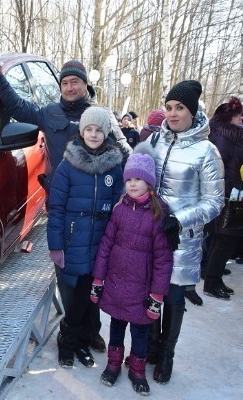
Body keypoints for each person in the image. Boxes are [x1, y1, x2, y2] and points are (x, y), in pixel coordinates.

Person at [0, 57, 132, 353]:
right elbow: (17, 108)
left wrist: (130, 193)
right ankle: (74, 328)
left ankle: (91, 331)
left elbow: (125, 153)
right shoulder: (49, 112)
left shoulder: (99, 115)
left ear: (85, 85)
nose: (69, 87)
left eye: (74, 82)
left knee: (94, 273)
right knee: (67, 274)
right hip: (63, 207)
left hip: (95, 210)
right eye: (65, 83)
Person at [145, 80, 224, 384]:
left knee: (174, 298)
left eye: (180, 108)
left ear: (192, 112)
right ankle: (150, 349)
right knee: (151, 293)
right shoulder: (156, 142)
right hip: (151, 235)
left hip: (182, 239)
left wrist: (179, 220)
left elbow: (215, 201)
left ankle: (166, 357)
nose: (173, 113)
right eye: (169, 107)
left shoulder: (207, 151)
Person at [91, 146, 173, 395]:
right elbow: (105, 246)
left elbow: (163, 259)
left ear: (149, 183)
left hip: (142, 288)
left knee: (140, 331)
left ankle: (137, 368)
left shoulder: (159, 214)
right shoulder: (119, 210)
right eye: (128, 179)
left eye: (138, 179)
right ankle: (114, 363)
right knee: (116, 326)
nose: (132, 184)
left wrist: (157, 295)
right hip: (116, 284)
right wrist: (98, 279)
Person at [47, 106, 124, 368]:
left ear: (106, 133)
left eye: (99, 130)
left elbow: (118, 208)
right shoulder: (67, 166)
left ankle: (84, 337)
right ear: (81, 132)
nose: (93, 134)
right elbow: (55, 207)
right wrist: (56, 245)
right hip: (73, 240)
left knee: (93, 294)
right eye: (89, 129)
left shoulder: (113, 167)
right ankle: (68, 340)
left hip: (100, 242)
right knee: (76, 296)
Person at [202, 96, 243, 299]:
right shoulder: (229, 137)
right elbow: (223, 167)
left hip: (229, 194)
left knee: (220, 239)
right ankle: (211, 282)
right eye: (238, 116)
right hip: (228, 195)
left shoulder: (222, 134)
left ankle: (214, 279)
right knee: (224, 240)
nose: (241, 120)